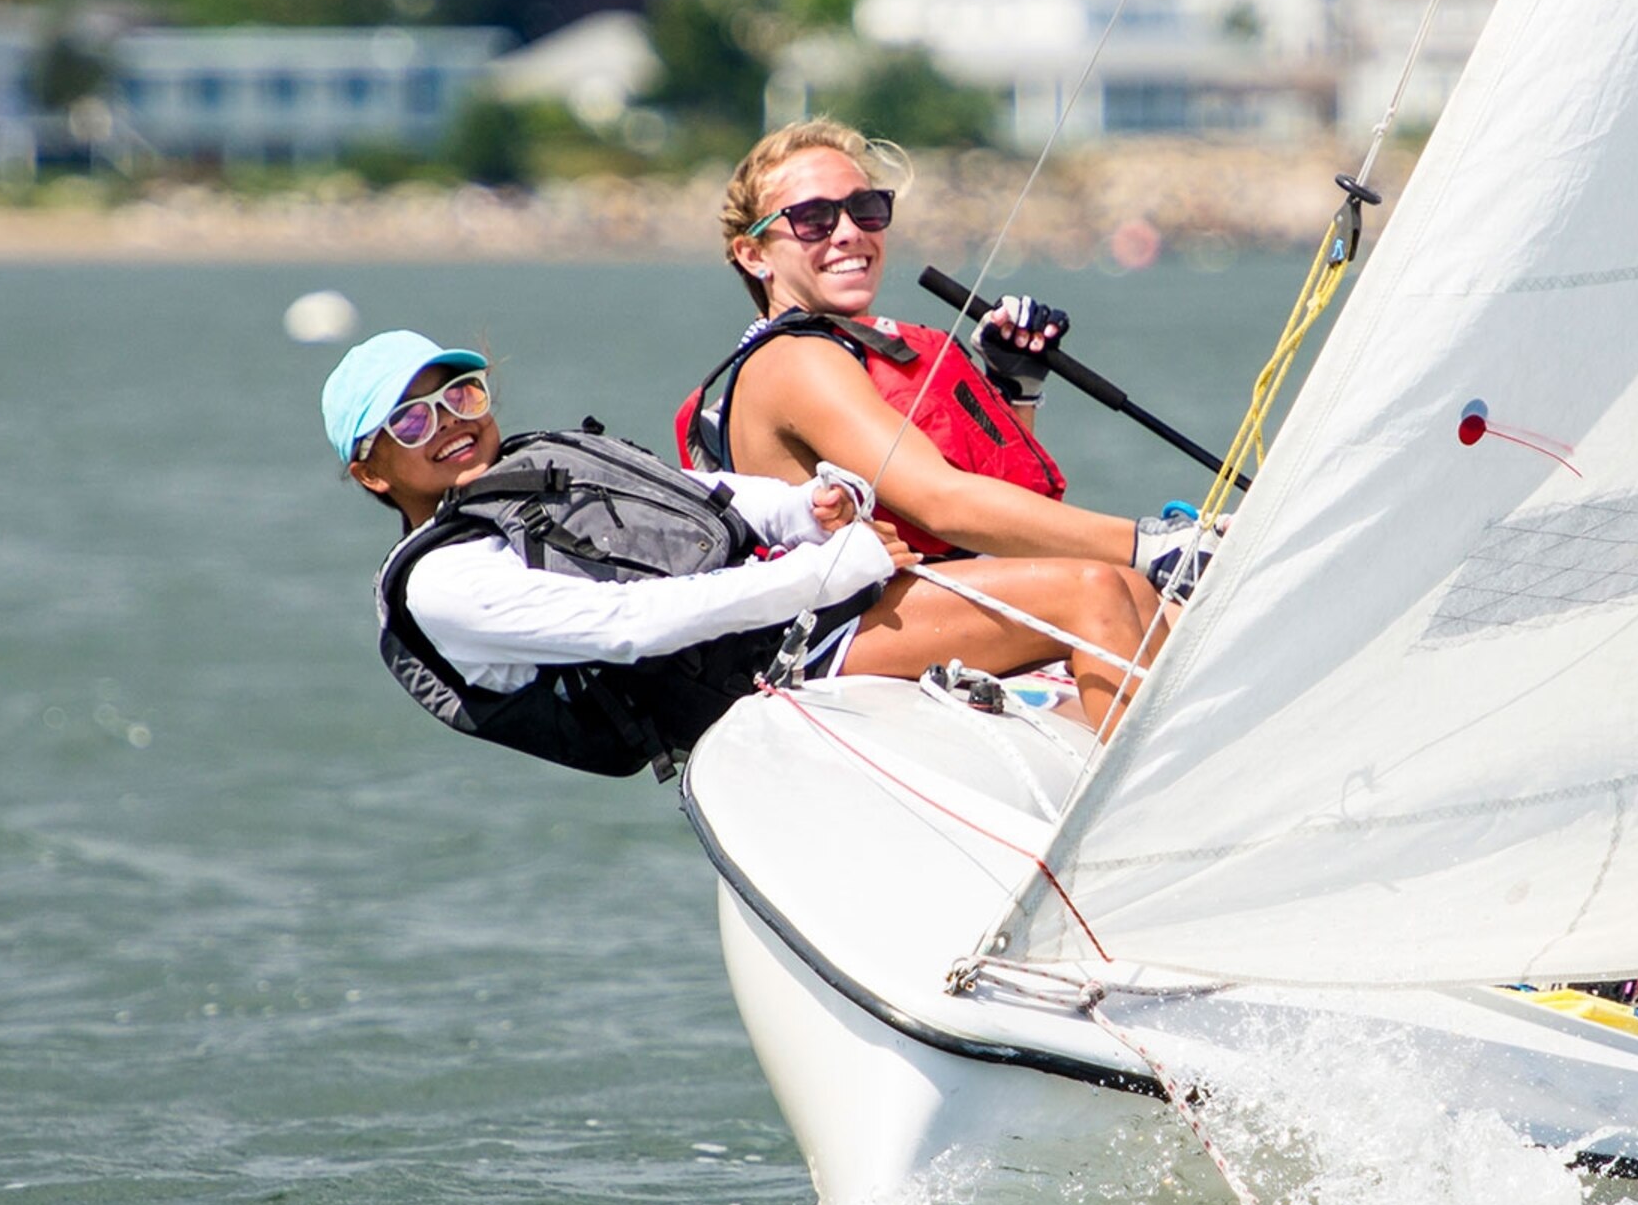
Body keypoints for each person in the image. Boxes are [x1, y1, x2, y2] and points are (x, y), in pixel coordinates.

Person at [326, 330, 1170, 773]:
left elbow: (716, 499)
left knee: (1132, 593)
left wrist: (811, 507)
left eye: (460, 394)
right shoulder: (443, 580)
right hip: (760, 670)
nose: (452, 424)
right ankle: (1156, 849)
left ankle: (1193, 814)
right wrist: (822, 572)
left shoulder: (541, 459)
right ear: (372, 473)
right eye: (412, 421)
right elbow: (629, 624)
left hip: (808, 611)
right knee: (1094, 594)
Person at [680, 118, 1214, 594]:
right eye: (813, 219)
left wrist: (1015, 388)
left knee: (1132, 599)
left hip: (918, 604)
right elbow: (943, 503)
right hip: (837, 634)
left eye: (865, 210)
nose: (848, 234)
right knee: (1098, 588)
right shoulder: (796, 360)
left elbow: (1004, 520)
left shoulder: (839, 350)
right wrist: (1157, 546)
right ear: (753, 255)